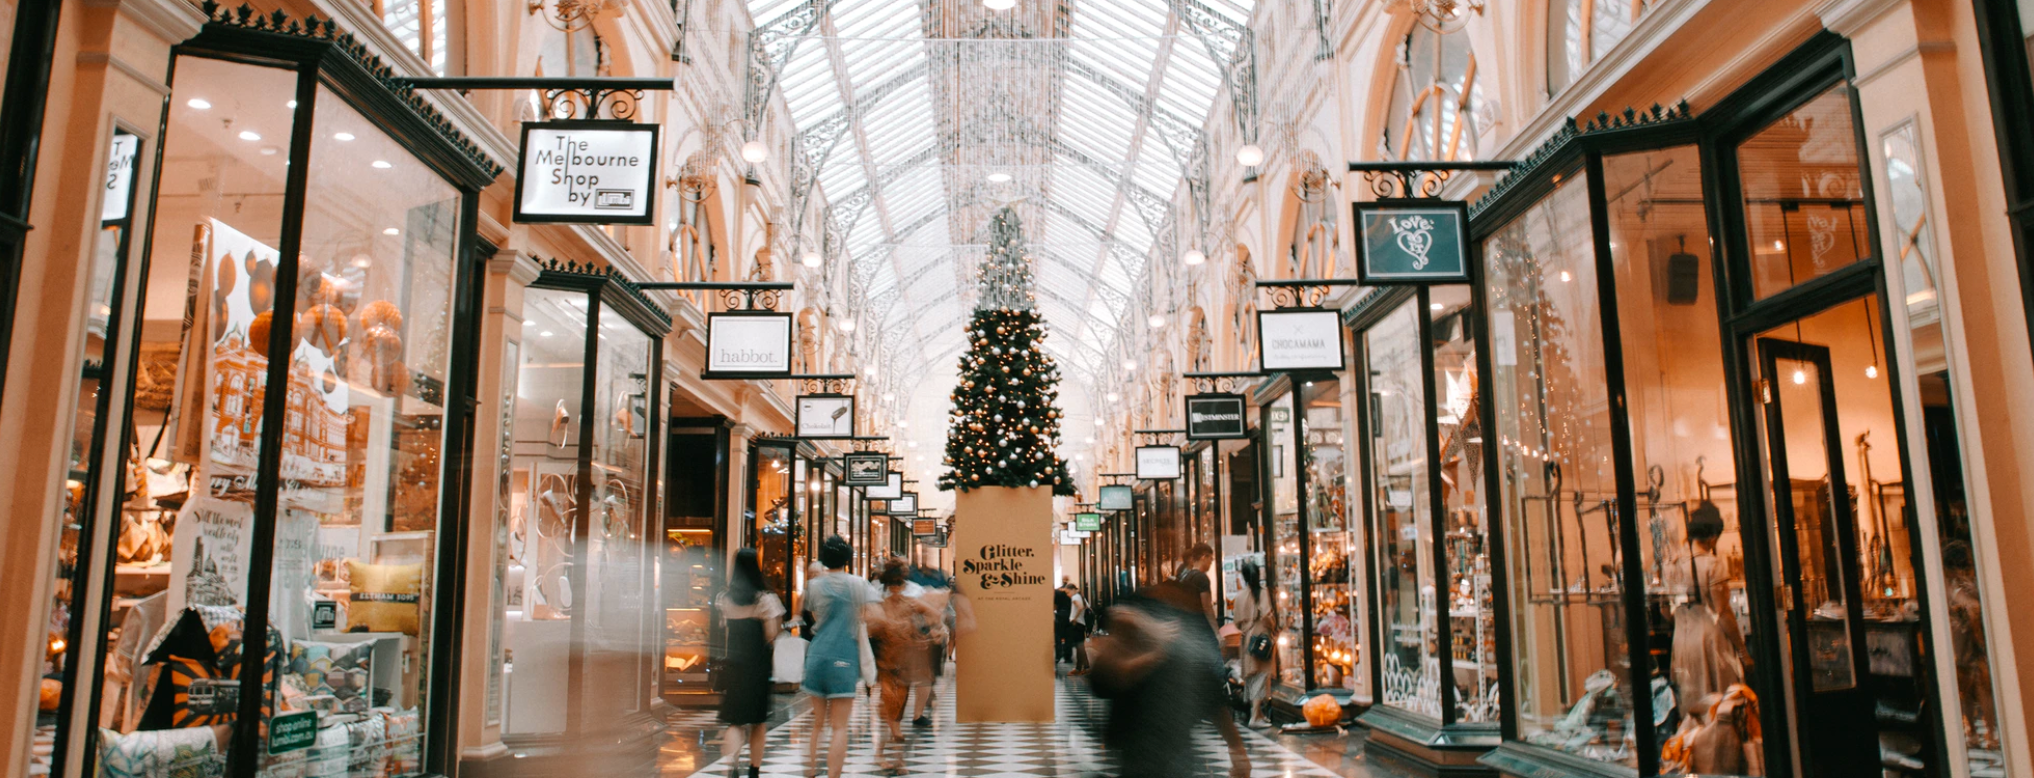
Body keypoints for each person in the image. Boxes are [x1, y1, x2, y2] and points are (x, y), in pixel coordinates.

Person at [1089, 584, 1250, 778]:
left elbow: (1212, 699)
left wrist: (1236, 749)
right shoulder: (1135, 644)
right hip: (1142, 750)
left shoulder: (1182, 651)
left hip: (1169, 752)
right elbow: (1104, 680)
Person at [866, 560, 945, 773]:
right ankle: (892, 755)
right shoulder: (884, 604)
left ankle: (888, 754)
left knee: (895, 710)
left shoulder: (903, 603)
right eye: (893, 583)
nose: (895, 587)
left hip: (899, 663)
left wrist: (924, 632)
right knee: (891, 709)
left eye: (897, 583)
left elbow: (935, 615)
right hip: (888, 663)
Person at [801, 536, 869, 778]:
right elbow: (872, 613)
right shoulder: (858, 584)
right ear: (848, 559)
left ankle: (810, 771)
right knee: (839, 726)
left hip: (817, 655)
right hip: (844, 657)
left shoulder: (813, 586)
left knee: (817, 723)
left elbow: (809, 612)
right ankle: (833, 775)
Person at [716, 549, 783, 778]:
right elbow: (771, 633)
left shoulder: (724, 598)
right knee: (757, 721)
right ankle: (754, 770)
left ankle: (732, 767)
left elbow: (724, 628)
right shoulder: (765, 599)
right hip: (757, 667)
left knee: (735, 721)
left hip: (734, 664)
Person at [1233, 558, 1275, 727]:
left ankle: (1257, 712)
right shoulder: (1262, 592)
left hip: (1247, 639)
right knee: (1260, 675)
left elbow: (1236, 622)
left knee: (1251, 675)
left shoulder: (1240, 596)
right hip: (1260, 636)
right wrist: (1273, 627)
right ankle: (1255, 716)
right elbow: (1267, 614)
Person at [1176, 543, 1218, 629]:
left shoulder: (1186, 576)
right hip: (1199, 627)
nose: (1211, 562)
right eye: (1211, 558)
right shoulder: (1202, 578)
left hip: (1187, 626)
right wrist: (1216, 632)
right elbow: (1207, 608)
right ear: (1203, 557)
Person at [1066, 582, 1092, 676]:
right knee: (1080, 646)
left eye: (1068, 592)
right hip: (1081, 624)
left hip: (1077, 624)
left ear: (1073, 589)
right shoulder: (1081, 596)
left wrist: (1074, 619)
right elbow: (1085, 607)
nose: (1068, 595)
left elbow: (1080, 607)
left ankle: (1083, 667)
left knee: (1079, 646)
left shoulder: (1075, 597)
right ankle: (1082, 667)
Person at [1054, 577, 1074, 664]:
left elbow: (1055, 605)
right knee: (1069, 637)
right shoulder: (1071, 593)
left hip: (1060, 615)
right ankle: (1068, 657)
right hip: (1070, 615)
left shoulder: (1057, 592)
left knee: (1058, 636)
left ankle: (1058, 655)